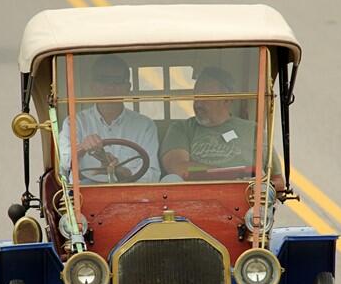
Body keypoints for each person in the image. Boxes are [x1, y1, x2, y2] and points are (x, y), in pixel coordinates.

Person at [160, 66, 282, 186]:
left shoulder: (254, 131)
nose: (198, 103)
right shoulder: (181, 129)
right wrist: (232, 175)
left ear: (227, 99)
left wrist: (259, 186)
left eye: (205, 97)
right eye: (196, 96)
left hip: (245, 198)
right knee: (170, 179)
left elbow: (278, 181)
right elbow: (178, 168)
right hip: (193, 198)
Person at [58, 55, 160, 183]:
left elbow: (153, 174)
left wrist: (121, 172)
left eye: (117, 81)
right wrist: (83, 147)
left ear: (127, 87)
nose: (110, 87)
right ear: (93, 86)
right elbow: (63, 165)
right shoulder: (74, 122)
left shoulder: (145, 125)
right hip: (86, 194)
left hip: (131, 193)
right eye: (103, 80)